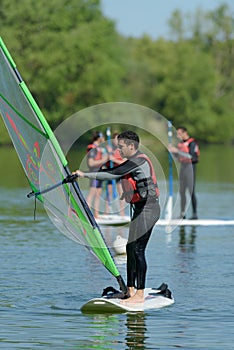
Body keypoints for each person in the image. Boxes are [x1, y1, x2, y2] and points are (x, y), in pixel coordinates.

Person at [74, 130, 160, 303]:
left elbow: (113, 173)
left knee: (138, 249)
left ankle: (140, 295)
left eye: (121, 147)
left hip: (149, 209)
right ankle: (130, 290)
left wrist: (83, 175)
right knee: (130, 248)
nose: (119, 150)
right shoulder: (132, 161)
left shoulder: (139, 160)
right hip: (139, 208)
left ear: (131, 146)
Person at [169, 126, 200, 219]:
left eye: (179, 134)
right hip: (183, 168)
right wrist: (172, 152)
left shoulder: (192, 143)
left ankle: (194, 214)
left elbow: (191, 157)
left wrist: (177, 151)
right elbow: (178, 158)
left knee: (191, 191)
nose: (178, 136)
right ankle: (183, 214)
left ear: (184, 133)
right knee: (182, 192)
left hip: (190, 168)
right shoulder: (180, 144)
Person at [86, 131, 108, 218]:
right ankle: (86, 214)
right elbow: (91, 163)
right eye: (103, 137)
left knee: (98, 193)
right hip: (94, 173)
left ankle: (96, 215)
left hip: (100, 172)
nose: (104, 139)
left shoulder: (100, 148)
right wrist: (103, 160)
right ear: (99, 138)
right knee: (92, 194)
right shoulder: (92, 148)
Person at [105, 132, 126, 216]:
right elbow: (105, 160)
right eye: (115, 139)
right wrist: (108, 153)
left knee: (121, 193)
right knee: (109, 192)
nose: (116, 141)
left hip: (120, 173)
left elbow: (123, 162)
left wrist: (113, 159)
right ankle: (106, 213)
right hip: (111, 172)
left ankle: (122, 213)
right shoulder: (109, 149)